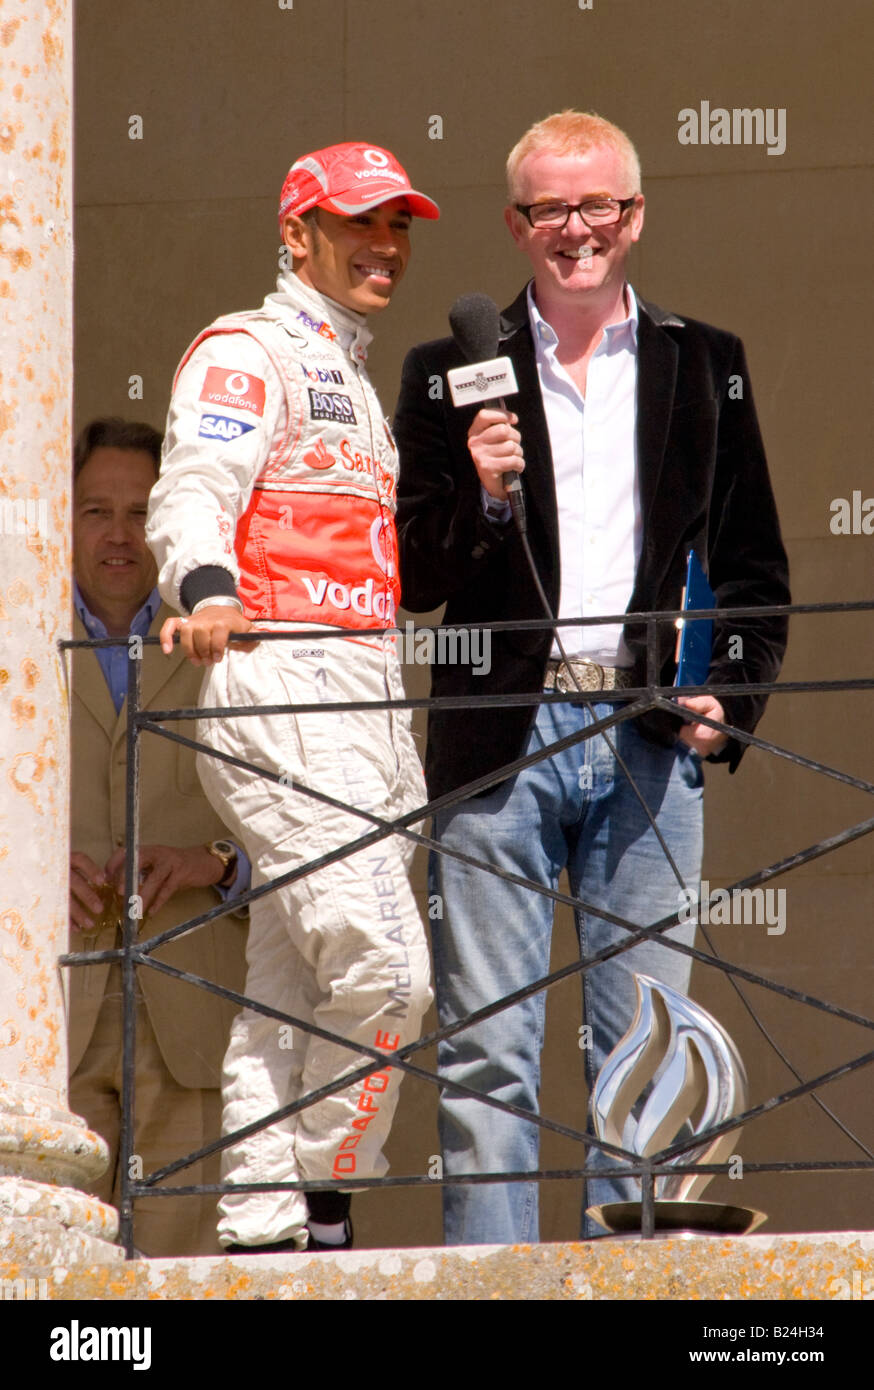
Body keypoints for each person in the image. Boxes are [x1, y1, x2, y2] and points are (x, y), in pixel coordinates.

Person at [393, 110, 790, 1244]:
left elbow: (756, 565)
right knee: (488, 1050)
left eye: (597, 206)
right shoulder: (446, 374)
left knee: (646, 1051)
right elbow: (416, 573)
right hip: (497, 742)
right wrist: (482, 491)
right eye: (550, 210)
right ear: (517, 225)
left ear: (635, 215)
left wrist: (735, 697)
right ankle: (493, 1285)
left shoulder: (703, 363)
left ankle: (634, 1291)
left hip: (647, 733)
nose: (577, 230)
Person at [145, 143, 439, 1253]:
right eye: (361, 222)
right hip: (280, 684)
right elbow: (195, 489)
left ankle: (263, 1234)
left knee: (292, 991)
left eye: (400, 225)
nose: (386, 244)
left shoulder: (357, 379)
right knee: (387, 970)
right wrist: (208, 589)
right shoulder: (247, 346)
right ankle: (329, 1195)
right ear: (297, 232)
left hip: (369, 699)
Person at [68, 416, 249, 1256]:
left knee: (173, 1285)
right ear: (62, 519)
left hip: (192, 1028)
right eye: (95, 511)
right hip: (48, 1029)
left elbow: (294, 829)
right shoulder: (14, 643)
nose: (117, 534)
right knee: (43, 1277)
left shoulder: (226, 647)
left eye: (140, 514)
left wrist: (211, 862)